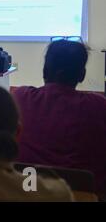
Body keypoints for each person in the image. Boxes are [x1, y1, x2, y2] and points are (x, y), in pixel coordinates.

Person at [13, 40, 106, 198]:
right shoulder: (99, 106)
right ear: (82, 74)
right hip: (82, 196)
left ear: (44, 70)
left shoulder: (20, 98)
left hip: (27, 192)